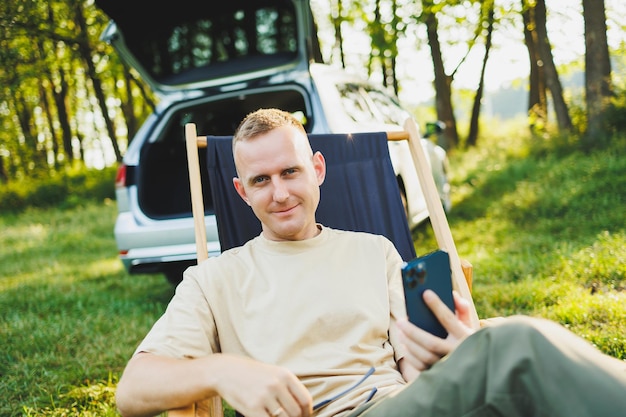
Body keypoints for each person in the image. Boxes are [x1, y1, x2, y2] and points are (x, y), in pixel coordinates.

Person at [115, 108, 626, 417]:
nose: (280, 193)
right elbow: (133, 390)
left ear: (317, 168)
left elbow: (412, 362)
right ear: (239, 191)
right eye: (261, 180)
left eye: (291, 171)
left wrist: (452, 350)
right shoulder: (213, 280)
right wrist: (224, 372)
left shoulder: (374, 249)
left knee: (505, 347)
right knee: (519, 343)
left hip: (399, 404)